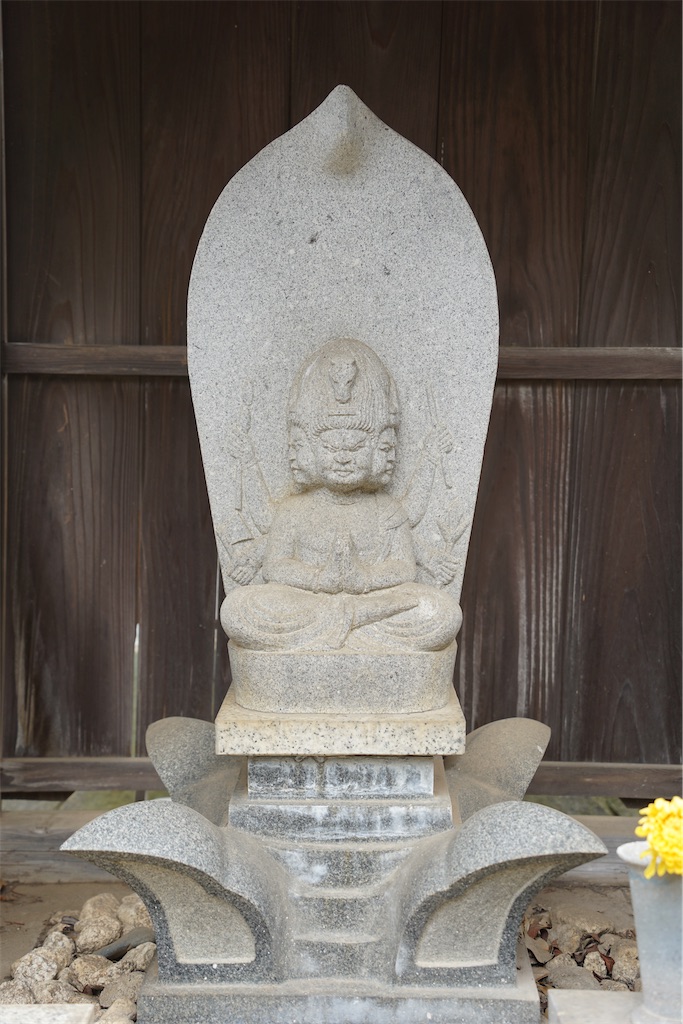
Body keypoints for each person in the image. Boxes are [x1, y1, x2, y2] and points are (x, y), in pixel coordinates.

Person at [220, 339, 461, 652]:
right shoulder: (295, 510)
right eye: (332, 448)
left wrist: (364, 580)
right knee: (239, 609)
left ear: (380, 449)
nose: (344, 458)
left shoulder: (385, 509)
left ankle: (340, 627)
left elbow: (404, 568)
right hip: (308, 602)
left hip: (373, 602)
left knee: (440, 612)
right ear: (306, 450)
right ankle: (348, 625)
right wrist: (321, 580)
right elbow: (275, 567)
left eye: (357, 447)